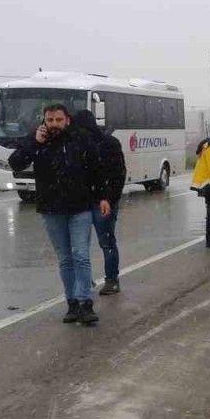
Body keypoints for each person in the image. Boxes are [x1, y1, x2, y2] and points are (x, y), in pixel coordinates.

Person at [9, 103, 110, 326]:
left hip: (80, 207)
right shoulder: (37, 140)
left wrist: (103, 196)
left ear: (67, 120)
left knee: (80, 255)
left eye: (58, 120)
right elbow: (15, 163)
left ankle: (85, 303)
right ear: (44, 121)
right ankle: (72, 303)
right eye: (50, 120)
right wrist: (34, 143)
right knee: (65, 258)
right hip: (52, 209)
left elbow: (96, 168)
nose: (54, 124)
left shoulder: (80, 138)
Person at [73, 110, 126, 295]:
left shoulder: (108, 143)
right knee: (81, 244)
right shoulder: (77, 144)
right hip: (82, 201)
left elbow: (118, 175)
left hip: (102, 201)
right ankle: (86, 279)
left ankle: (111, 279)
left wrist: (109, 198)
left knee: (106, 241)